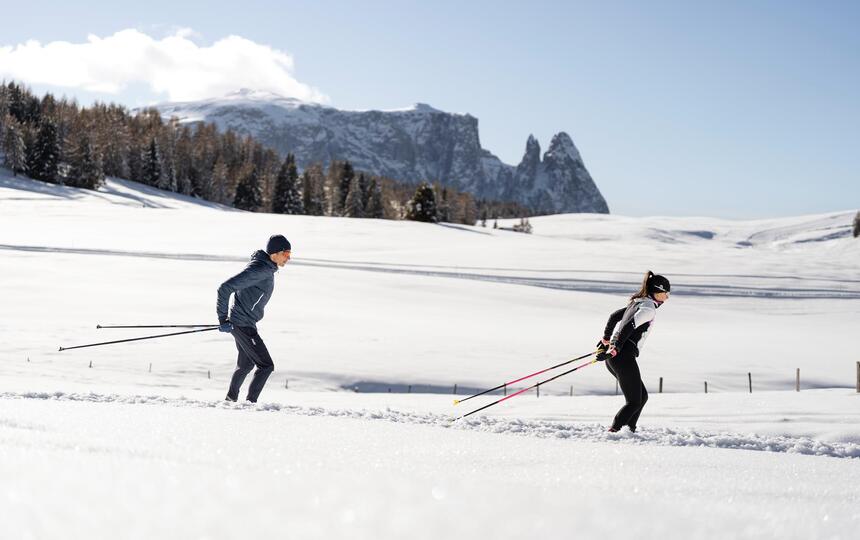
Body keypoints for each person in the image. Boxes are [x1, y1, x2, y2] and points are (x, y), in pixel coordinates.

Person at [217, 234, 292, 402]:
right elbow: (225, 288)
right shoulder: (261, 270)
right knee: (266, 366)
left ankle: (230, 400)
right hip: (243, 324)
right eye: (286, 254)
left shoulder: (266, 267)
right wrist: (223, 319)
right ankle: (250, 405)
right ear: (275, 253)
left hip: (243, 322)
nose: (288, 258)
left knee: (246, 364)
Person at [596, 271, 670, 433]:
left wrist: (606, 340)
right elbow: (630, 326)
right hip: (622, 356)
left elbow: (614, 316)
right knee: (634, 402)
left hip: (617, 356)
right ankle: (615, 432)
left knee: (641, 397)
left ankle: (629, 430)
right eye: (666, 293)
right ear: (657, 292)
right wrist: (616, 348)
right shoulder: (648, 308)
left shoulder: (638, 303)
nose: (667, 297)